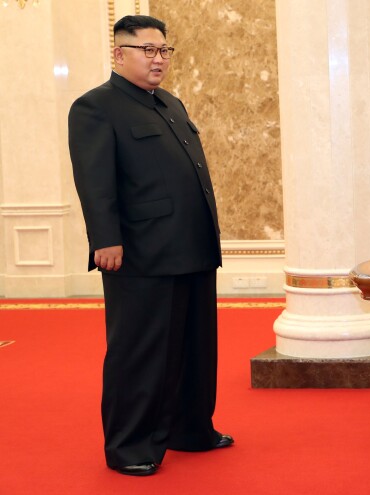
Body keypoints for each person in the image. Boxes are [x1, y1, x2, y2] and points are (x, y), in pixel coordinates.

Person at [68, 15, 232, 477]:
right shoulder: (96, 107)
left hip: (193, 247)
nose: (158, 59)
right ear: (120, 54)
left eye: (164, 50)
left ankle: (191, 429)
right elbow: (95, 181)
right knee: (140, 353)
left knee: (195, 347)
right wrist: (105, 239)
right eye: (147, 50)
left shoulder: (169, 103)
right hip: (140, 252)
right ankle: (129, 447)